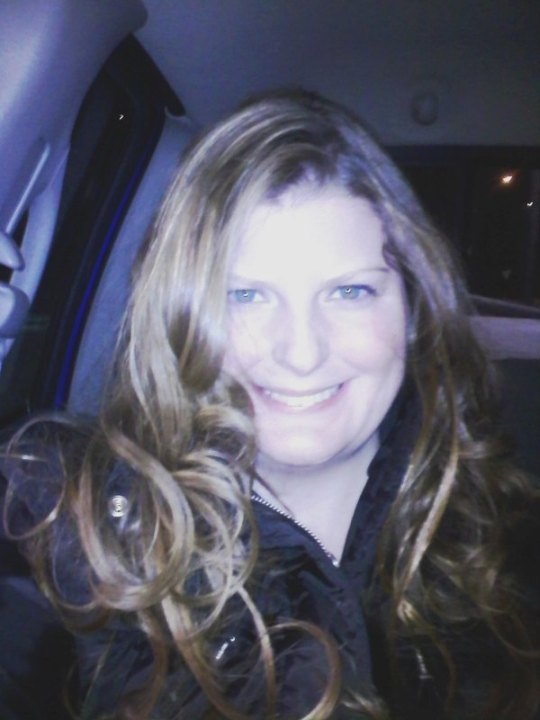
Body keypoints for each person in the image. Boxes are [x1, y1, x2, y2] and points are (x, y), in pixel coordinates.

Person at [1, 90, 539, 720]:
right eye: (246, 296)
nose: (302, 353)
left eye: (350, 291)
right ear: (178, 317)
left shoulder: (507, 539)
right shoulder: (82, 534)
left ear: (416, 308)